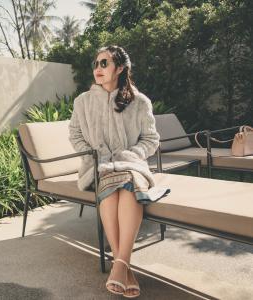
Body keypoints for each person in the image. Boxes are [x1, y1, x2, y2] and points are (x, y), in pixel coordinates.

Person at [68, 45, 169, 298]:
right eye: (96, 64)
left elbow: (151, 138)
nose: (98, 69)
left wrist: (130, 155)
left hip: (131, 165)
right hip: (98, 166)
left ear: (120, 68)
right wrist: (94, 156)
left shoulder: (139, 101)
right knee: (113, 188)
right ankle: (125, 266)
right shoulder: (83, 101)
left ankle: (119, 264)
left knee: (126, 186)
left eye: (104, 63)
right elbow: (76, 135)